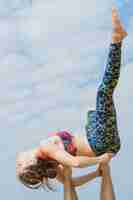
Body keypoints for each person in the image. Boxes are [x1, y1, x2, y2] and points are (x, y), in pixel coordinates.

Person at [16, 7, 128, 190]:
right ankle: (117, 41)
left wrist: (98, 173)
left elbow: (72, 182)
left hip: (105, 143)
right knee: (104, 92)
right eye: (19, 165)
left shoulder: (52, 161)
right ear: (29, 163)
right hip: (99, 141)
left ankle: (117, 40)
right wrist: (101, 159)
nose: (17, 162)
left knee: (91, 113)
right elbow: (75, 163)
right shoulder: (45, 148)